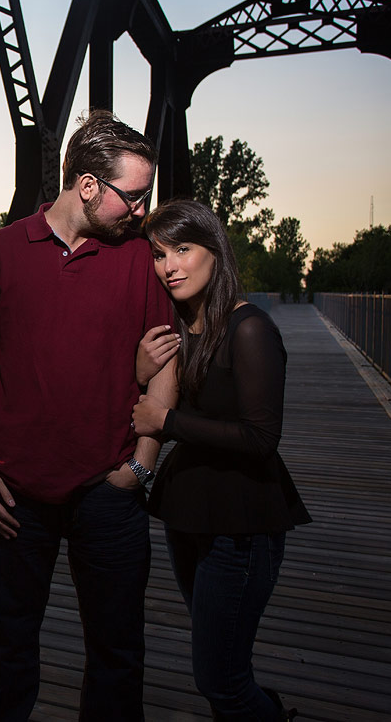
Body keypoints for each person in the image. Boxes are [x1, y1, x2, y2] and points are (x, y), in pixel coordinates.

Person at [0, 110, 173, 721]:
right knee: (11, 648)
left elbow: (167, 363)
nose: (141, 210)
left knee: (118, 653)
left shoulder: (137, 257)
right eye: (133, 196)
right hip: (18, 491)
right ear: (86, 186)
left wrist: (143, 465)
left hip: (110, 487)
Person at [131, 199, 311, 721]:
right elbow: (146, 405)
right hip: (189, 517)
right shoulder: (181, 330)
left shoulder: (249, 328)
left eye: (183, 250)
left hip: (241, 528)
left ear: (215, 251)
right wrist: (142, 372)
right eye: (159, 254)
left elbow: (260, 437)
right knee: (225, 664)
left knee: (220, 679)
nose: (169, 267)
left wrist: (167, 423)